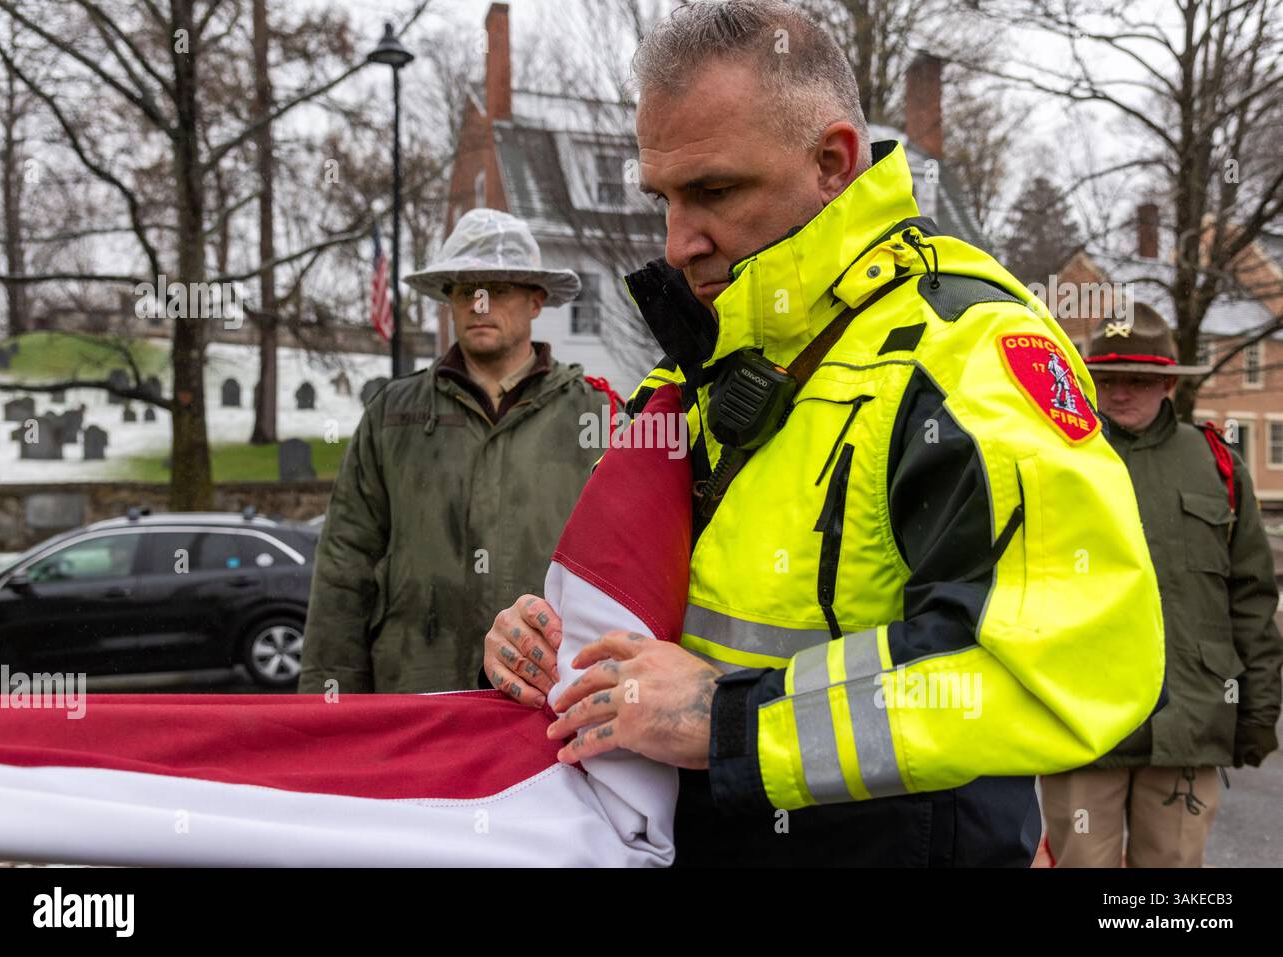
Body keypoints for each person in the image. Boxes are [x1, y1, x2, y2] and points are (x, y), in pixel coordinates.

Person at [483, 0, 1164, 866]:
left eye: (714, 191)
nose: (677, 239)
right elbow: (656, 630)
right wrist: (545, 646)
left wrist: (730, 721)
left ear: (834, 162)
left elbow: (1064, 666)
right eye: (662, 197)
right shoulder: (697, 367)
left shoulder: (965, 356)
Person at [299, 208, 615, 694]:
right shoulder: (392, 416)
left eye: (498, 288)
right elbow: (345, 565)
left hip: (545, 699)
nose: (480, 303)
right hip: (414, 691)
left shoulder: (596, 415)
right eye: (465, 290)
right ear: (448, 301)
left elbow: (619, 569)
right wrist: (330, 704)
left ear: (536, 301)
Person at [1040, 302, 1283, 867]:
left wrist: (1258, 711)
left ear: (1167, 383)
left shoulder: (1216, 464)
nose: (1121, 393)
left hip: (1190, 721)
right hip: (1083, 720)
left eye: (1139, 380)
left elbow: (1250, 597)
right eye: (1107, 379)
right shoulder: (1056, 461)